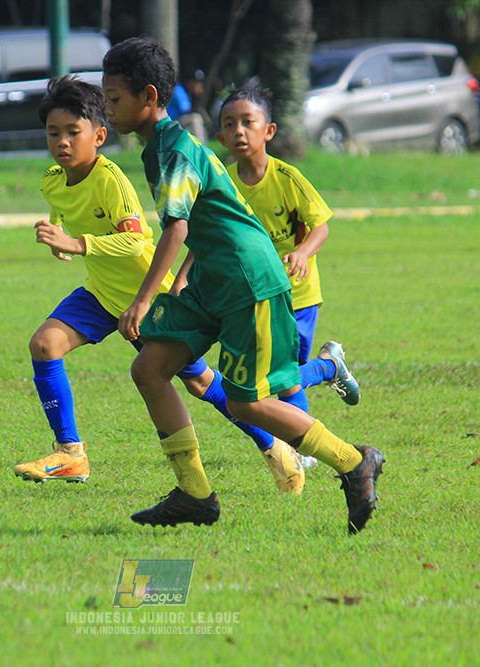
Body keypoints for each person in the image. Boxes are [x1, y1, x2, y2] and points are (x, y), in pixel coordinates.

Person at [102, 37, 385, 534]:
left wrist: (143, 300)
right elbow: (203, 222)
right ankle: (194, 494)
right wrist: (180, 286)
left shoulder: (172, 150)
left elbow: (177, 228)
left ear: (149, 96)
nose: (107, 108)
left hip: (247, 280)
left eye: (113, 98)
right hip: (214, 281)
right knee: (149, 368)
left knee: (246, 401)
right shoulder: (165, 148)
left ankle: (352, 462)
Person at [13, 75, 307, 494]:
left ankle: (275, 447)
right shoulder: (52, 179)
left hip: (143, 296)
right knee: (44, 344)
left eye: (72, 132)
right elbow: (62, 205)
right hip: (100, 294)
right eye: (52, 133)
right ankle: (70, 454)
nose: (61, 142)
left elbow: (137, 239)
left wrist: (77, 244)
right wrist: (55, 230)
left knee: (202, 383)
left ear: (98, 136)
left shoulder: (110, 180)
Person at [215, 87, 359, 412]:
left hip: (298, 294)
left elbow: (320, 226)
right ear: (221, 138)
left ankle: (302, 443)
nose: (239, 130)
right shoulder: (223, 186)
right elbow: (212, 235)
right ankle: (328, 370)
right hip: (255, 297)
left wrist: (302, 253)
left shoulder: (287, 178)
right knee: (277, 376)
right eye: (229, 124)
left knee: (285, 378)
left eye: (248, 122)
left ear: (268, 131)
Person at [166, 69, 207, 143]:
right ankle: (201, 147)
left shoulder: (188, 93)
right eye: (197, 83)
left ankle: (196, 148)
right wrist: (196, 97)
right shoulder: (179, 90)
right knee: (195, 118)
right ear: (189, 82)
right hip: (170, 124)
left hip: (178, 122)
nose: (199, 86)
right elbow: (186, 110)